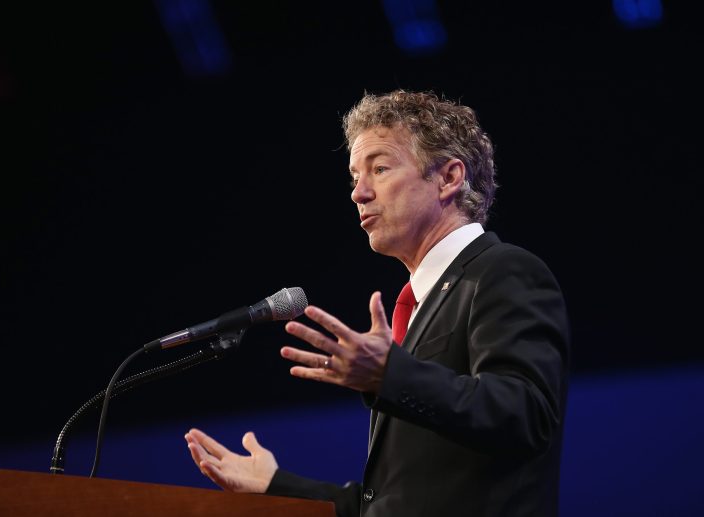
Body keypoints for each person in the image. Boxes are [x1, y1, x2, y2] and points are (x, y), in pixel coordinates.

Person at [184, 90, 570, 517]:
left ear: (449, 178)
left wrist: (391, 375)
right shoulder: (423, 304)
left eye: (380, 168)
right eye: (354, 177)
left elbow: (527, 416)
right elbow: (393, 502)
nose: (358, 194)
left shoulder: (503, 272)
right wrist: (277, 487)